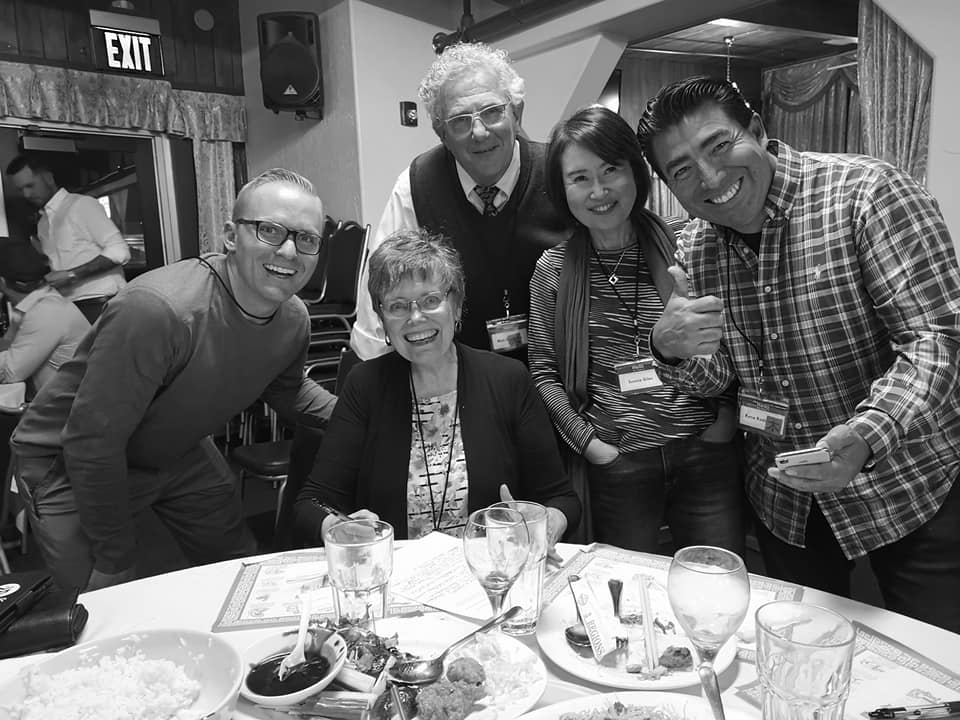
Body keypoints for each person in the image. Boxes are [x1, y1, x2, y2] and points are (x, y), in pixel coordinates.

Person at [637, 76, 960, 632]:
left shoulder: (867, 193)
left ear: (758, 129)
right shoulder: (696, 247)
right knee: (799, 656)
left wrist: (866, 434)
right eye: (682, 169)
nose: (710, 177)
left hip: (907, 485)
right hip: (787, 500)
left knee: (936, 660)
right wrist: (669, 352)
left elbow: (936, 338)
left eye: (719, 145)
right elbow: (718, 378)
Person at [11, 168, 337, 593]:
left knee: (241, 572)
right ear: (230, 236)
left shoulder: (293, 319)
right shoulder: (157, 311)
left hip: (173, 447)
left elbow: (288, 390)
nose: (290, 251)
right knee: (102, 601)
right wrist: (114, 556)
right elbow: (91, 443)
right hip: (70, 462)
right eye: (270, 231)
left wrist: (370, 416)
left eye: (307, 239)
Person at [528, 105, 742, 552]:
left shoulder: (687, 244)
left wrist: (723, 421)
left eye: (611, 169)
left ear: (635, 172)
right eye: (580, 178)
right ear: (562, 189)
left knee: (715, 577)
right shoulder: (553, 269)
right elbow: (544, 372)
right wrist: (592, 446)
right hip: (619, 460)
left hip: (703, 450)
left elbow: (732, 337)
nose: (599, 190)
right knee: (623, 585)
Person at [294, 228, 580, 549]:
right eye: (397, 306)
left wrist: (546, 523)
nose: (415, 317)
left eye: (431, 301)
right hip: (399, 574)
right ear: (382, 319)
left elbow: (561, 499)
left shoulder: (508, 380)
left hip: (488, 569)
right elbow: (312, 502)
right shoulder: (364, 386)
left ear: (455, 306)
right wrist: (338, 526)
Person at [350, 42, 570, 362]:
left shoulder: (562, 172)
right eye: (460, 120)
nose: (479, 132)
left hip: (559, 372)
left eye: (492, 112)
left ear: (517, 112)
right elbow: (381, 300)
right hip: (460, 376)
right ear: (441, 133)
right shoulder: (415, 186)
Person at [6, 153, 130, 323]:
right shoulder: (43, 224)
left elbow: (120, 251)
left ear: (48, 178)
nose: (26, 194)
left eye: (30, 185)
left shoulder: (82, 205)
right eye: (21, 189)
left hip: (102, 302)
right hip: (69, 308)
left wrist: (72, 274)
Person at [0, 241, 90, 397]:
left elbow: (9, 374)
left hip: (73, 406)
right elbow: (7, 345)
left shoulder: (45, 311)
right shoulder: (33, 305)